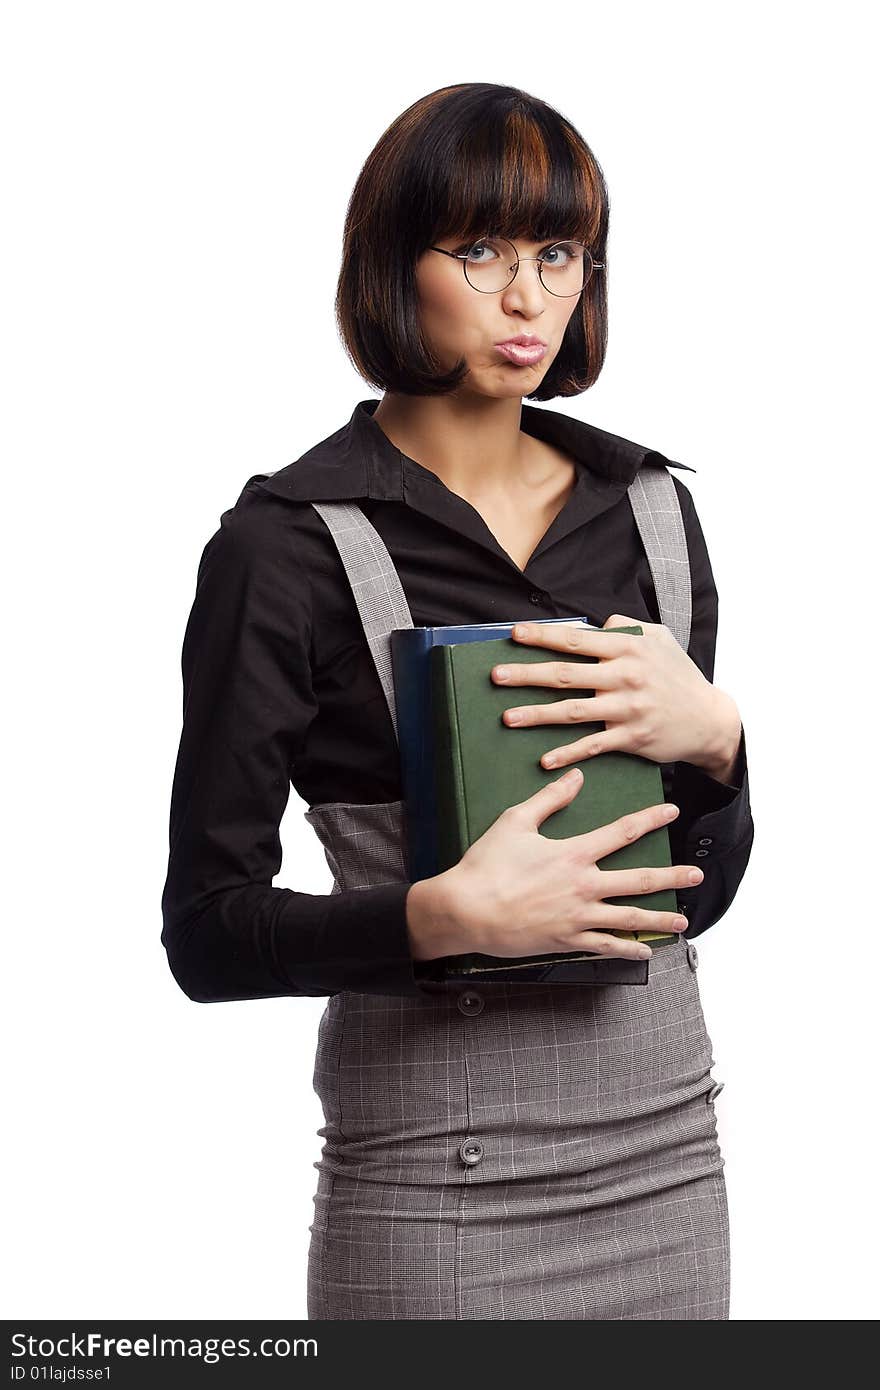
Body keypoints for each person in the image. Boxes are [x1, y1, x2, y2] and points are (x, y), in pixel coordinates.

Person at [161, 82, 754, 1319]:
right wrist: (435, 916)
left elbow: (693, 892)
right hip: (435, 1178)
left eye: (558, 253)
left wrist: (722, 748)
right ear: (393, 264)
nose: (527, 295)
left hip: (665, 1161)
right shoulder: (284, 545)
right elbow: (205, 932)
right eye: (478, 250)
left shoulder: (654, 514)